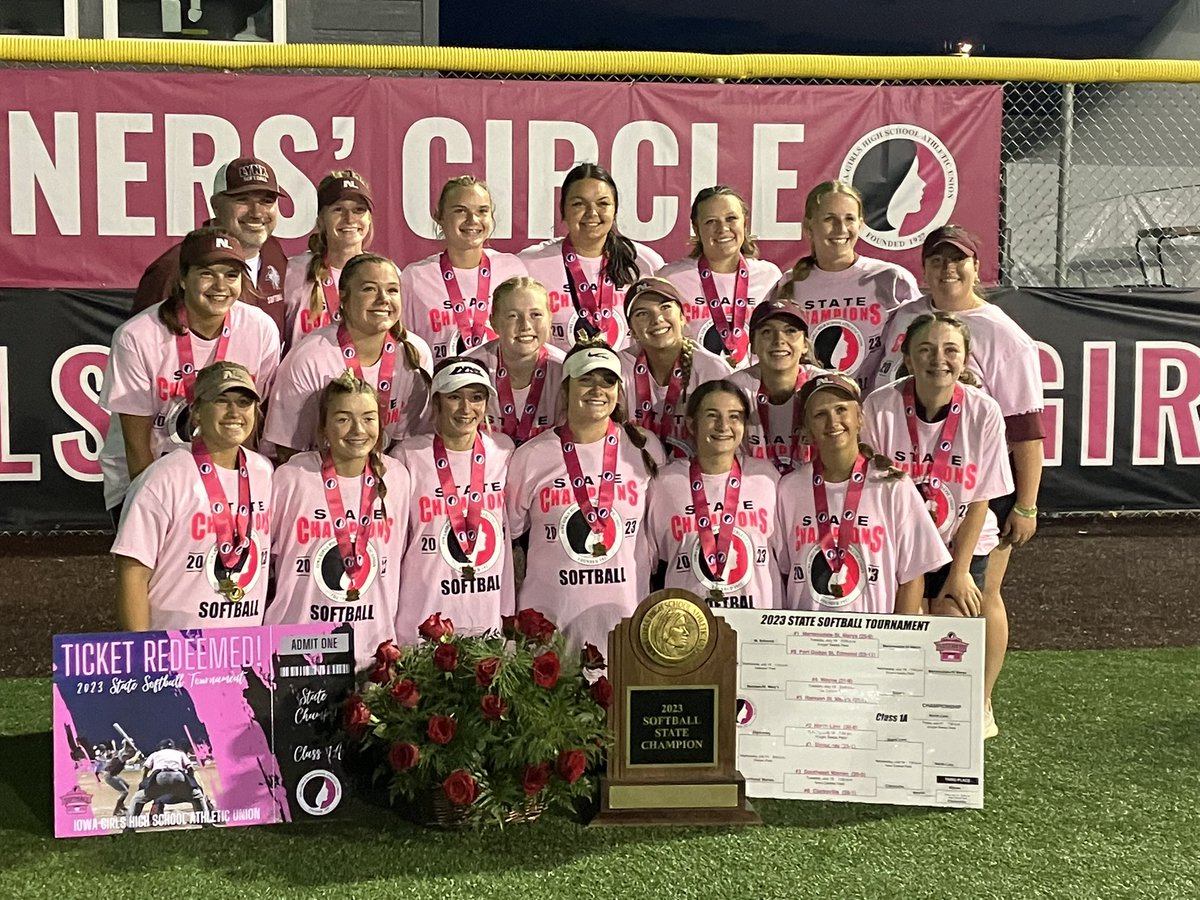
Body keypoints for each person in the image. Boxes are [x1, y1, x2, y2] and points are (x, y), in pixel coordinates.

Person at [875, 225, 1045, 737]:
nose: (948, 270)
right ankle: (912, 702)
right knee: (912, 603)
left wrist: (1028, 503)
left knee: (975, 593)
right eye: (938, 260)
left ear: (976, 268)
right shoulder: (902, 319)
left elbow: (1026, 428)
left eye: (960, 261)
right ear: (923, 267)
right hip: (910, 495)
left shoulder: (1002, 334)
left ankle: (981, 701)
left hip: (969, 489)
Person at [862, 313, 1013, 736]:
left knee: (956, 620)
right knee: (905, 627)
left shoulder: (984, 411)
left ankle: (978, 702)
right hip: (901, 546)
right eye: (925, 350)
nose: (938, 360)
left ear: (965, 359)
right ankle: (900, 710)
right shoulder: (880, 406)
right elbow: (873, 490)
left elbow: (982, 495)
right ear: (907, 358)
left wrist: (960, 572)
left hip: (961, 541)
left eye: (950, 350)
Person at [100, 227, 279, 519]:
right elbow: (137, 445)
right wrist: (155, 509)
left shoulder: (260, 330)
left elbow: (245, 426)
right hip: (147, 476)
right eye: (208, 273)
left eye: (231, 275)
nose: (221, 285)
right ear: (183, 278)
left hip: (225, 483)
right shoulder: (138, 336)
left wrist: (235, 494)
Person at [505, 342, 665, 652]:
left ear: (619, 389)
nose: (597, 389)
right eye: (586, 379)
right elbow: (510, 538)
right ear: (565, 390)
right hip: (549, 631)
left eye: (607, 380)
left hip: (625, 627)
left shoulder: (645, 448)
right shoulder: (532, 456)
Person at [111, 362, 272, 630]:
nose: (235, 412)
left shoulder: (263, 472)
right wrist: (140, 655)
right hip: (174, 653)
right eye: (222, 401)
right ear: (196, 412)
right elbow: (133, 572)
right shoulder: (164, 477)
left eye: (244, 403)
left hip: (242, 654)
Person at [268, 372, 410, 671]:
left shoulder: (396, 477)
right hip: (300, 653)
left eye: (369, 418)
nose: (358, 429)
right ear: (323, 427)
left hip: (373, 654)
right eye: (343, 418)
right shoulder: (291, 478)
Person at [774, 373, 950, 614]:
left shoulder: (892, 485)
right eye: (820, 414)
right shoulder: (789, 489)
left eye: (841, 410)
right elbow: (784, 573)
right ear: (806, 429)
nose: (832, 421)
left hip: (873, 640)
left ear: (859, 418)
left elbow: (912, 577)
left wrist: (898, 641)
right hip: (806, 639)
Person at [388, 357, 515, 644]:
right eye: (455, 397)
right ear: (437, 402)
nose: (466, 408)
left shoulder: (504, 452)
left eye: (476, 397)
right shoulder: (408, 457)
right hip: (422, 625)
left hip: (487, 624)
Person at [263, 253, 432, 462]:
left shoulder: (416, 353)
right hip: (319, 479)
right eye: (369, 289)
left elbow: (405, 443)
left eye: (392, 290)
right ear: (343, 298)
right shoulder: (309, 358)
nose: (383, 299)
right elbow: (287, 449)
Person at [644, 379, 781, 609]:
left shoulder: (766, 478)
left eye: (734, 416)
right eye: (712, 415)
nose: (723, 426)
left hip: (759, 629)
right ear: (691, 424)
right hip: (688, 628)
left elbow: (784, 559)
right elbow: (650, 563)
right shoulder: (664, 484)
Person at [769, 180, 919, 387]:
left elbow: (921, 343)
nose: (841, 229)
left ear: (860, 223)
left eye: (849, 219)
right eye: (830, 219)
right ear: (809, 226)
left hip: (875, 407)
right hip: (810, 407)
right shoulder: (789, 283)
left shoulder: (891, 278)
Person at [132, 155, 289, 337]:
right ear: (215, 205)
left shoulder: (273, 251)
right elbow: (142, 339)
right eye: (242, 200)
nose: (256, 212)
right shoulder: (174, 267)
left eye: (266, 201)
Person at [519, 163, 664, 352]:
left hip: (628, 378)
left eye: (603, 203)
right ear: (563, 210)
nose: (592, 213)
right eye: (579, 204)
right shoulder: (530, 264)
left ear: (615, 210)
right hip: (555, 377)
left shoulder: (644, 262)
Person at [401, 176, 529, 365]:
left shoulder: (511, 268)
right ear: (440, 216)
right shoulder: (415, 277)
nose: (473, 220)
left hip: (500, 388)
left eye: (482, 211)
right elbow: (405, 347)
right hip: (439, 389)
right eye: (460, 211)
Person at [655, 185, 782, 368]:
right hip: (694, 388)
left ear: (744, 223)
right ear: (696, 229)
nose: (722, 228)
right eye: (711, 222)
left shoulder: (769, 276)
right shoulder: (671, 278)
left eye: (731, 219)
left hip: (752, 388)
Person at [619, 277, 730, 458]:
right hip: (635, 473)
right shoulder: (619, 366)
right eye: (642, 314)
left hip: (693, 476)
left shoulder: (712, 370)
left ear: (682, 316)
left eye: (665, 307)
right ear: (631, 329)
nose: (657, 319)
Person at [729, 297, 828, 476]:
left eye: (790, 331)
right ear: (753, 346)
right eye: (767, 332)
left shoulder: (824, 388)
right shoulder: (735, 390)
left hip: (813, 489)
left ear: (805, 345)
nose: (779, 340)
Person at [464, 276, 565, 447]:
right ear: (494, 321)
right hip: (484, 470)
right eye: (512, 316)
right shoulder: (469, 368)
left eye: (536, 315)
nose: (525, 325)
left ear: (550, 318)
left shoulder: (565, 370)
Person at [282, 170, 374, 352]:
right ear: (321, 220)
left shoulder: (385, 275)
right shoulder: (293, 272)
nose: (349, 219)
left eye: (359, 210)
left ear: (369, 219)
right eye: (338, 210)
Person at [125, 739, 206, 823]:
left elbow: (145, 769)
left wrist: (144, 782)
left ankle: (129, 826)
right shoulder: (180, 753)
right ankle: (206, 823)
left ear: (161, 747)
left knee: (137, 799)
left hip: (160, 777)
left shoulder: (155, 754)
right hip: (178, 776)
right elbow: (190, 768)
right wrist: (191, 783)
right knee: (198, 796)